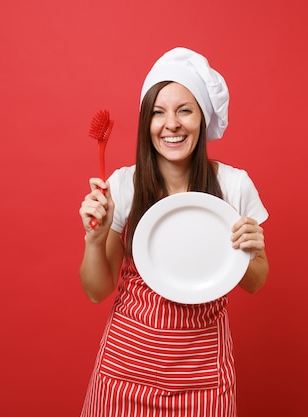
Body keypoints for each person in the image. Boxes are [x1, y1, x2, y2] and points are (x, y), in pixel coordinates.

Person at [78, 47, 269, 417]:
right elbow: (96, 291)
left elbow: (256, 282)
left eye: (184, 110)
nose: (171, 124)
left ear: (202, 117)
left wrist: (252, 248)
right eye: (158, 112)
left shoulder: (233, 186)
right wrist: (95, 240)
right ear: (146, 122)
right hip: (123, 375)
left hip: (203, 380)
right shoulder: (124, 185)